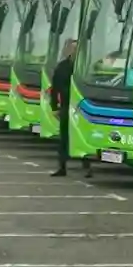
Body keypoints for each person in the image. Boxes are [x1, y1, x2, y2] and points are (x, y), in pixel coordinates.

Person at [50, 38, 84, 177]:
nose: (75, 51)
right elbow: (54, 89)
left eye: (77, 49)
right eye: (73, 48)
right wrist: (54, 107)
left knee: (81, 135)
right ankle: (62, 167)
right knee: (64, 138)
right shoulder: (62, 67)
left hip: (80, 107)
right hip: (66, 106)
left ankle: (86, 166)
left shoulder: (83, 67)